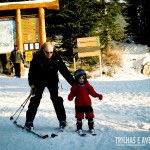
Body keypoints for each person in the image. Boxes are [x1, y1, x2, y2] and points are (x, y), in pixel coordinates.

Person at [25, 41, 74, 130]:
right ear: (43, 50)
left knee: (56, 99)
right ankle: (29, 121)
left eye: (51, 52)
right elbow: (31, 72)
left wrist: (74, 84)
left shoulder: (56, 57)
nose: (49, 54)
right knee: (36, 99)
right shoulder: (37, 57)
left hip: (52, 80)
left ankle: (62, 120)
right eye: (47, 52)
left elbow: (64, 71)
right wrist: (32, 84)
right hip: (39, 80)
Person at [68, 69, 103, 133]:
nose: (81, 80)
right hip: (79, 104)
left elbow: (93, 93)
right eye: (79, 78)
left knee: (90, 115)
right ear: (76, 79)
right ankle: (79, 128)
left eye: (82, 78)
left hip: (87, 104)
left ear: (85, 78)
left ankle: (91, 127)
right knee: (79, 116)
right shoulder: (75, 86)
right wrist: (70, 97)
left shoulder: (87, 85)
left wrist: (98, 95)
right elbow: (72, 93)